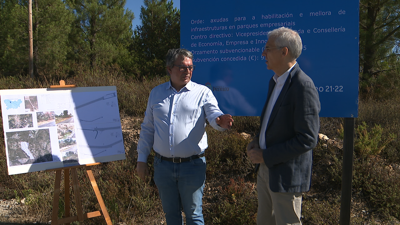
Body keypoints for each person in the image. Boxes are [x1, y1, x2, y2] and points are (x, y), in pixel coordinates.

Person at [136, 48, 234, 225]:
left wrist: (220, 121)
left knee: (194, 216)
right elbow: (148, 128)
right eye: (182, 67)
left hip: (193, 166)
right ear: (169, 69)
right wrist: (141, 160)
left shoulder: (202, 92)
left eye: (190, 67)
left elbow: (213, 115)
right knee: (171, 215)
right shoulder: (156, 93)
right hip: (162, 166)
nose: (187, 71)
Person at [246, 27, 320, 225]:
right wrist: (256, 141)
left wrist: (266, 155)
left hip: (286, 176)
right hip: (265, 171)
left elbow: (307, 139)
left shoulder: (302, 85)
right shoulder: (275, 82)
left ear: (284, 51)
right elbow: (272, 124)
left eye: (267, 48)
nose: (263, 53)